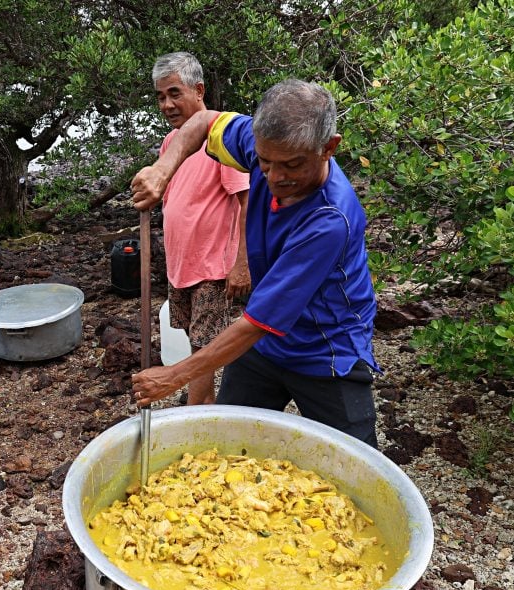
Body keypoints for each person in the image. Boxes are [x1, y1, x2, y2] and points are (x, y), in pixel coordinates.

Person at [131, 79, 380, 447]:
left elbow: (256, 323)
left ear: (329, 148)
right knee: (228, 444)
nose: (276, 178)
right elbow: (204, 123)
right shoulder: (263, 141)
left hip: (326, 351)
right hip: (265, 350)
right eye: (264, 162)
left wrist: (174, 376)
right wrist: (163, 169)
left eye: (292, 165)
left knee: (357, 465)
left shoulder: (330, 219)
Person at [152, 52, 251, 405]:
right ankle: (201, 400)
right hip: (182, 266)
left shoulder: (222, 140)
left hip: (211, 267)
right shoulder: (171, 143)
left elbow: (246, 201)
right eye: (161, 96)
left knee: (204, 344)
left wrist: (242, 262)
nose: (167, 104)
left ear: (199, 90)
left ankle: (199, 408)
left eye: (175, 93)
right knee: (193, 338)